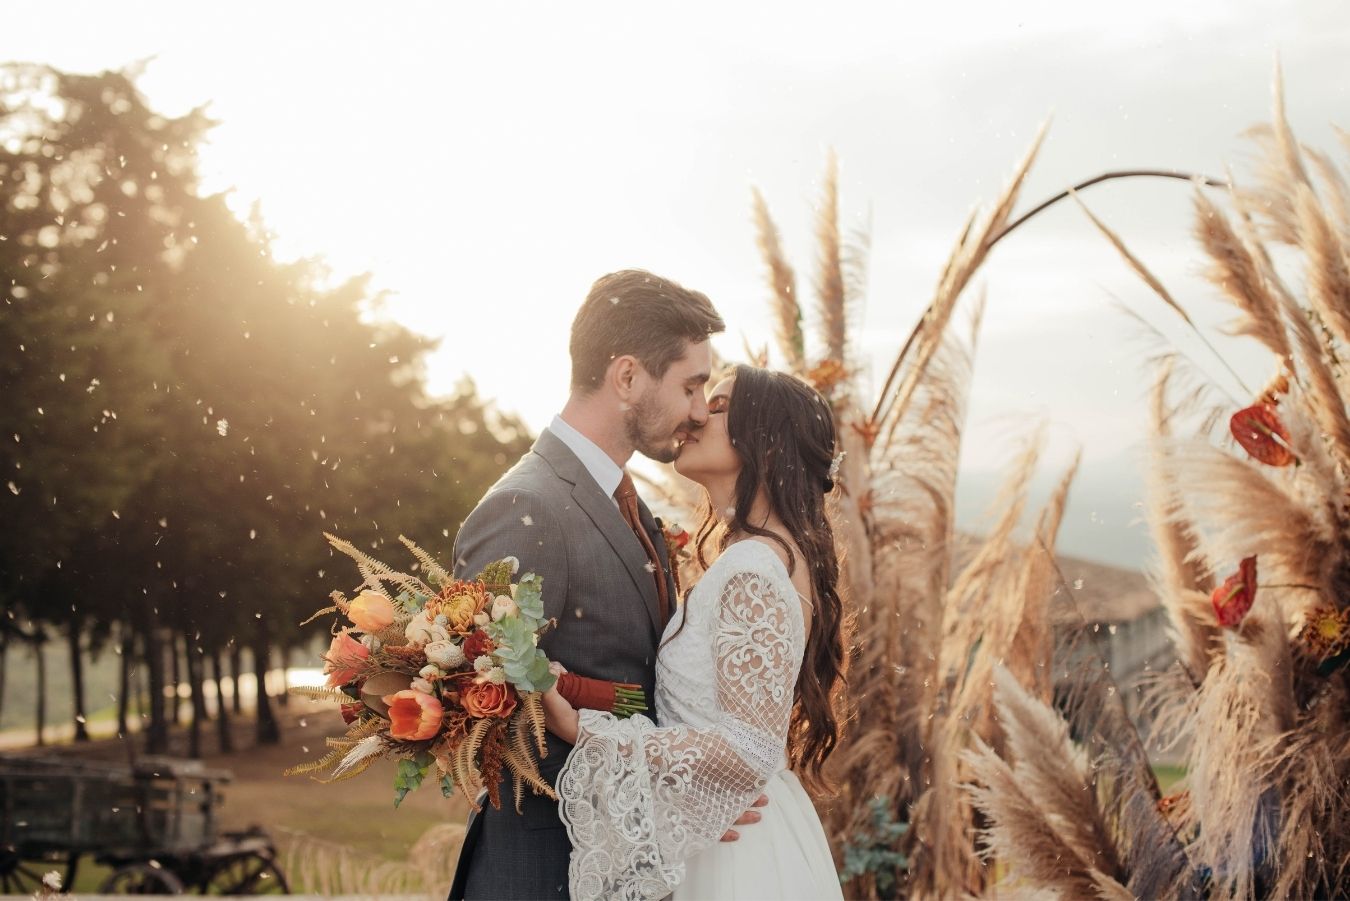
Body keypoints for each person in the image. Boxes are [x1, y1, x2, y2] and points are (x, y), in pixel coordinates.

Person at [449, 269, 765, 900]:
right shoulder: (524, 505)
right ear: (626, 378)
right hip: (543, 872)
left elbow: (630, 688)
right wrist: (665, 772)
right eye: (691, 386)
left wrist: (681, 792)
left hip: (619, 867)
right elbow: (487, 699)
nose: (699, 411)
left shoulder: (628, 504)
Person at [544, 364, 848, 900]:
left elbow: (750, 747)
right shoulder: (768, 557)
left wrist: (587, 732)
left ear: (768, 443)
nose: (699, 414)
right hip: (738, 832)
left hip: (737, 859)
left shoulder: (753, 567)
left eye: (722, 405)